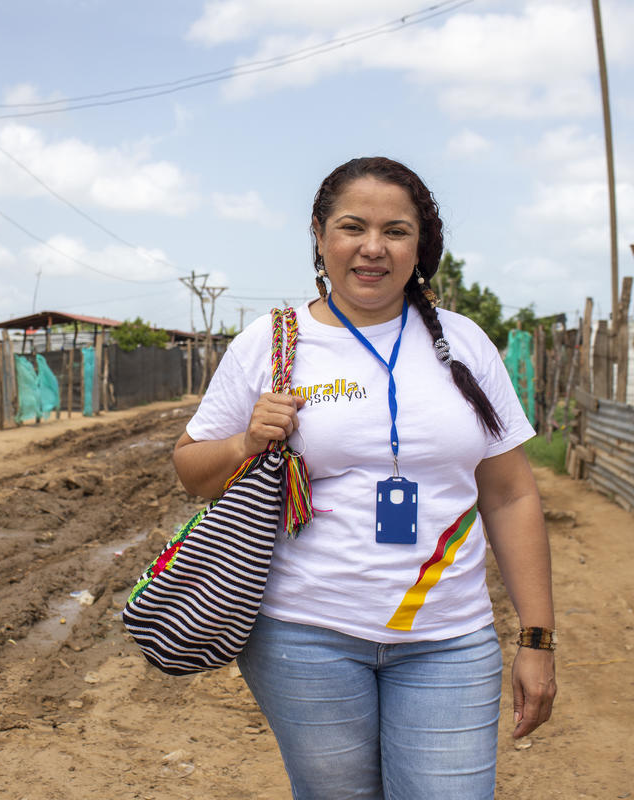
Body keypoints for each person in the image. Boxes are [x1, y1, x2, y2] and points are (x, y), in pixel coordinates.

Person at [172, 157, 556, 799]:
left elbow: (511, 494)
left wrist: (538, 638)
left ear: (420, 245)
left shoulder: (465, 344)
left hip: (448, 637)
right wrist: (246, 440)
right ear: (321, 236)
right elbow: (191, 469)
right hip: (304, 635)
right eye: (353, 226)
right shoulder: (270, 344)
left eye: (396, 231)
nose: (372, 248)